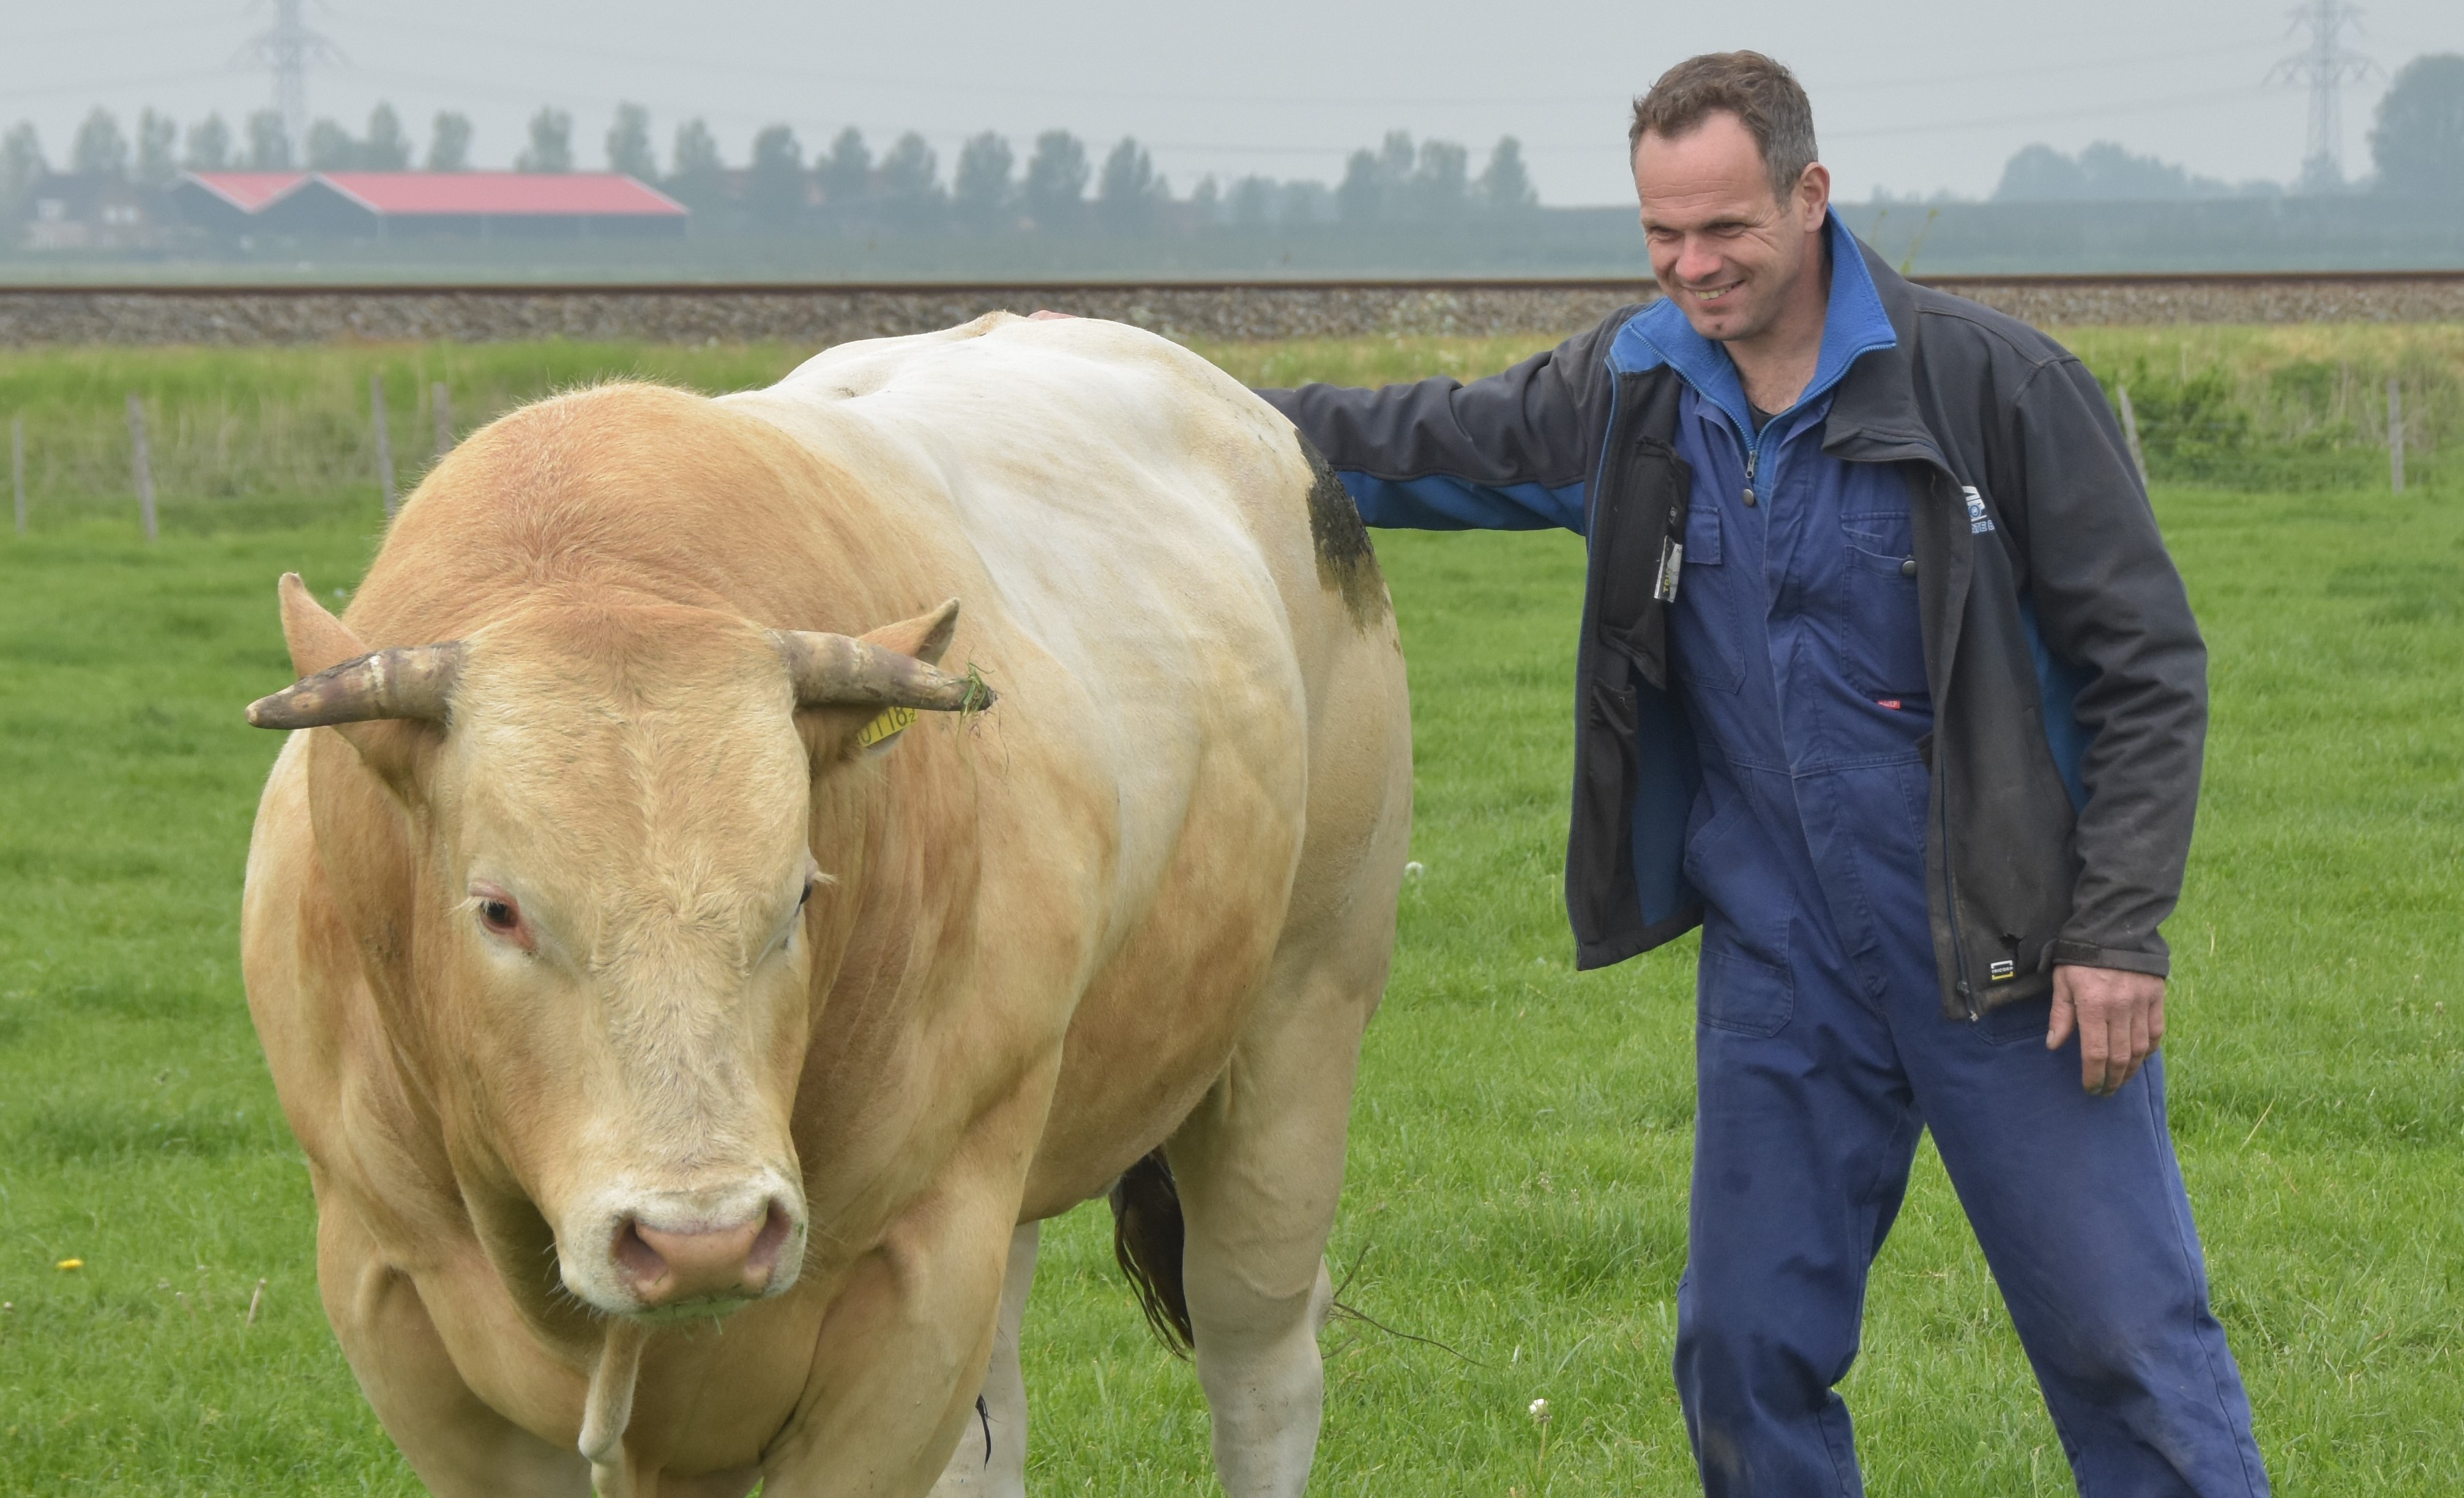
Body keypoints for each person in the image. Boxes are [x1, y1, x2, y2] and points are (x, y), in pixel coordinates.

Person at [1255, 51, 2269, 1498]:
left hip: (2011, 954)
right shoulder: (1638, 385)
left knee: (2126, 1348)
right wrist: (1153, 395)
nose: (1692, 266)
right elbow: (1424, 439)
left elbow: (2148, 666)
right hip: (1784, 956)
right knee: (1740, 1351)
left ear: (1810, 196)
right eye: (1661, 233)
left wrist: (2116, 931)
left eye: (1724, 228)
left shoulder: (1993, 385)